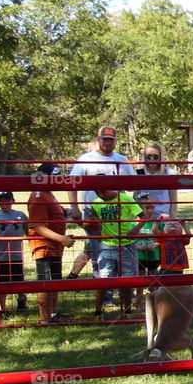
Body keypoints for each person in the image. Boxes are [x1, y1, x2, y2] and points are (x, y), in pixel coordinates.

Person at [67, 125, 134, 291]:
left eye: (111, 140)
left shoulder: (122, 160)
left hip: (118, 210)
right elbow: (72, 183)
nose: (108, 143)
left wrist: (130, 205)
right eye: (105, 139)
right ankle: (105, 292)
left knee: (121, 248)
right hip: (94, 211)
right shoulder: (86, 159)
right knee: (99, 250)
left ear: (116, 141)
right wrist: (74, 207)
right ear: (99, 139)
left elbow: (133, 183)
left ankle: (123, 289)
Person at [90, 176, 148, 319]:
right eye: (97, 193)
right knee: (102, 281)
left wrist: (135, 230)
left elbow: (144, 216)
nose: (101, 195)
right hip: (107, 246)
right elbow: (91, 222)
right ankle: (98, 312)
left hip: (127, 246)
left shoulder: (126, 200)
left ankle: (127, 312)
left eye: (102, 192)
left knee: (127, 283)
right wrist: (86, 223)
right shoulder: (96, 203)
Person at [27, 164, 76, 324]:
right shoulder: (39, 196)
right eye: (55, 176)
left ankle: (53, 314)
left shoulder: (49, 194)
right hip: (44, 247)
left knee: (55, 280)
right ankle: (44, 318)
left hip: (55, 247)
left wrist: (70, 212)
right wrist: (62, 239)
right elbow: (39, 226)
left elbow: (58, 212)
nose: (58, 179)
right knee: (45, 282)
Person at [0, 191, 28, 317]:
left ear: (13, 201)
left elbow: (29, 231)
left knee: (19, 280)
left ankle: (21, 301)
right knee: (1, 282)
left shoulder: (20, 215)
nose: (4, 204)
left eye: (7, 200)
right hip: (1, 256)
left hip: (16, 255)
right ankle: (2, 309)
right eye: (1, 201)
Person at [132, 191, 161, 311]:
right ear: (140, 208)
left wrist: (155, 244)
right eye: (147, 208)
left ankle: (154, 304)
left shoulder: (157, 223)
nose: (150, 210)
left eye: (152, 207)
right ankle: (138, 303)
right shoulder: (134, 223)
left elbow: (162, 239)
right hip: (140, 256)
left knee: (153, 280)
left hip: (153, 256)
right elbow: (131, 240)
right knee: (140, 281)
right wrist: (138, 247)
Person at [137, 141, 178, 219]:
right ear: (145, 157)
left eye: (155, 157)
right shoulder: (140, 172)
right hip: (146, 218)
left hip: (164, 217)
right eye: (149, 156)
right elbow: (136, 196)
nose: (152, 160)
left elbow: (174, 201)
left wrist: (172, 219)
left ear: (161, 157)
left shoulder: (169, 172)